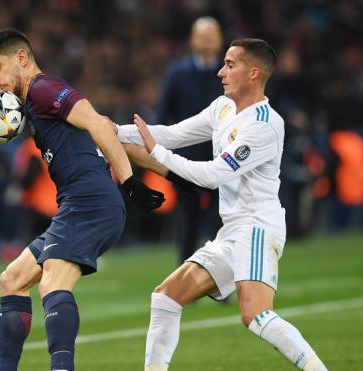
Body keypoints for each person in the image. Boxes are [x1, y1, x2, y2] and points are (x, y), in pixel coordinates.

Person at [116, 38, 327, 370]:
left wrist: (156, 154)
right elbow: (170, 134)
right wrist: (110, 131)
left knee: (255, 316)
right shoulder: (222, 108)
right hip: (232, 231)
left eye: (230, 65)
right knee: (165, 297)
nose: (220, 71)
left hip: (258, 227)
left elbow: (213, 175)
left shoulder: (265, 125)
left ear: (254, 73)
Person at [0, 28, 165, 371]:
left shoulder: (44, 89)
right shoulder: (36, 103)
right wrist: (177, 173)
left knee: (52, 282)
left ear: (21, 58)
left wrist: (130, 182)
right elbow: (109, 130)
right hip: (77, 205)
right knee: (12, 280)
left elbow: (98, 124)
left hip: (90, 202)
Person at [155, 16, 223, 264]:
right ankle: (185, 280)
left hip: (223, 158)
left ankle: (219, 280)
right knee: (188, 221)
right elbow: (162, 113)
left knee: (223, 220)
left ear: (220, 40)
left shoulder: (228, 73)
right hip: (187, 159)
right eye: (201, 36)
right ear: (193, 40)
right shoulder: (177, 73)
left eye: (211, 36)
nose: (206, 42)